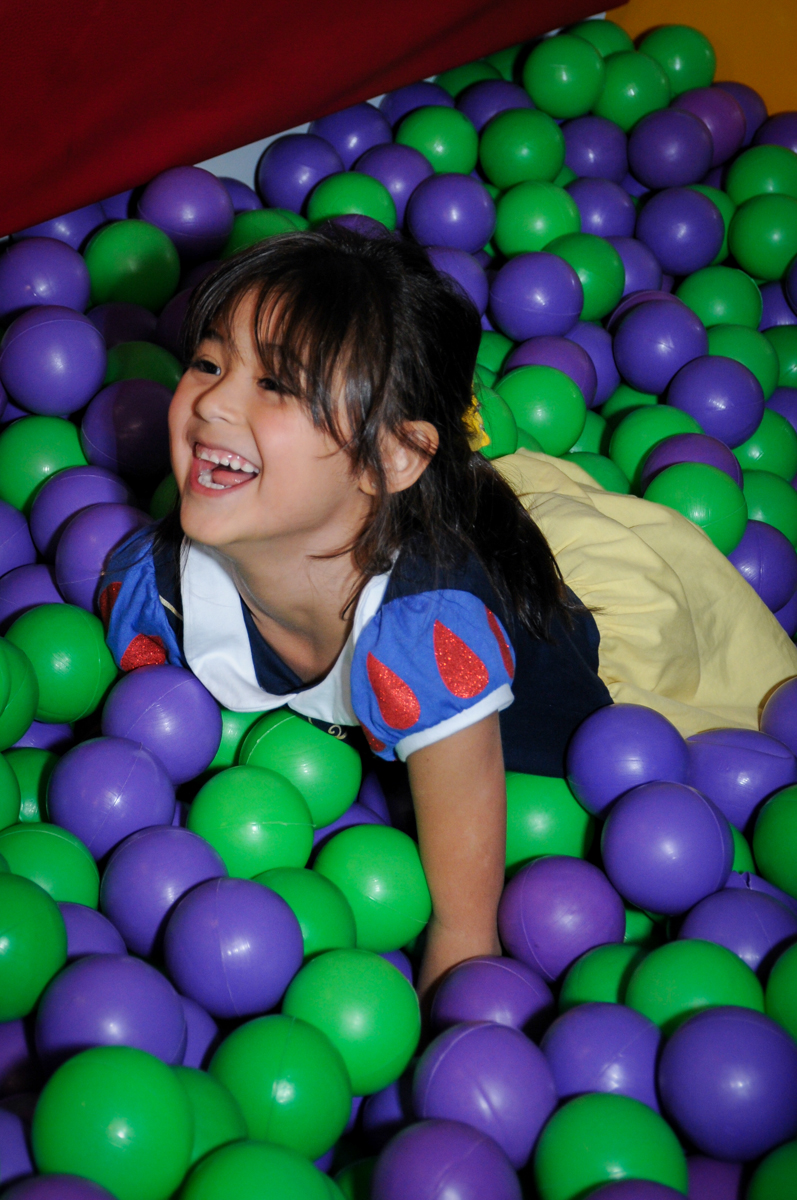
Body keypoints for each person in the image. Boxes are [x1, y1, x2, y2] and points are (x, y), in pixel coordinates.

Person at [100, 227, 612, 998]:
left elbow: (464, 929)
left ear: (393, 457)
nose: (213, 402)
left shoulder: (427, 637)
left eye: (278, 386)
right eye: (208, 362)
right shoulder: (157, 589)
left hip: (525, 748)